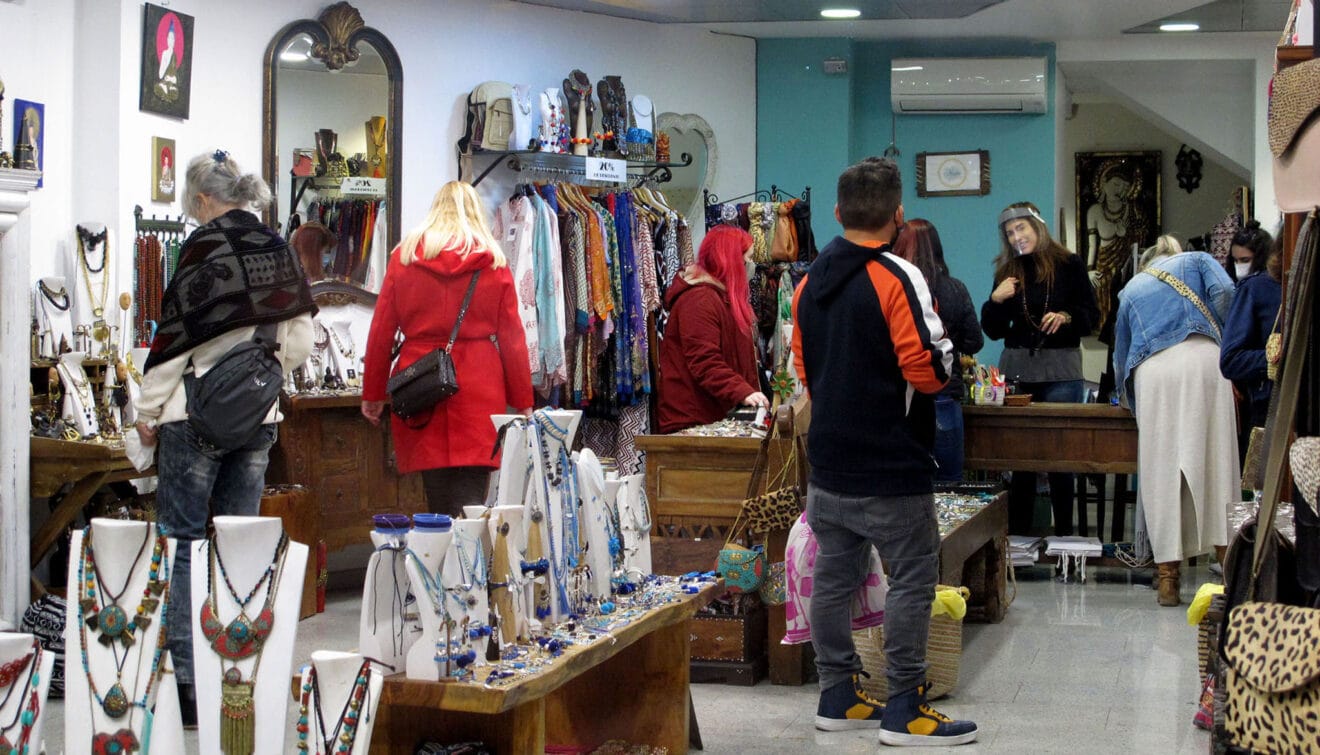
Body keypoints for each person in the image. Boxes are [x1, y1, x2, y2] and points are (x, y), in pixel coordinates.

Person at [792, 157, 975, 745]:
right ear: (898, 216)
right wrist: (945, 365)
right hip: (891, 464)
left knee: (833, 577)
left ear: (837, 212)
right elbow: (927, 369)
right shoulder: (899, 275)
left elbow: (802, 368)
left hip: (828, 466)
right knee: (913, 581)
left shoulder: (807, 283)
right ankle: (905, 707)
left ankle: (837, 694)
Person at [134, 149, 317, 723]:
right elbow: (301, 340)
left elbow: (175, 342)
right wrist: (262, 374)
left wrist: (146, 409)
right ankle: (238, 678)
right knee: (243, 546)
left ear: (203, 199)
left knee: (183, 544)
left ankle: (189, 687)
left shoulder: (203, 249)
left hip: (193, 419)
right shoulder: (275, 246)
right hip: (258, 420)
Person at [361, 181, 533, 516]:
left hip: (421, 384)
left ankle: (438, 545)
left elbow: (381, 332)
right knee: (472, 500)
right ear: (475, 213)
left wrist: (373, 393)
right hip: (478, 388)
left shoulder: (404, 259)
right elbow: (513, 339)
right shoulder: (493, 264)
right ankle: (466, 547)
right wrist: (524, 402)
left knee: (435, 497)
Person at [1112, 235, 1237, 606]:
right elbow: (1226, 293)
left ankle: (1168, 580)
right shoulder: (1196, 260)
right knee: (1217, 465)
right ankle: (1230, 570)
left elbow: (1121, 356)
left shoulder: (1131, 288)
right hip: (1204, 360)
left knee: (1161, 472)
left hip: (1153, 373)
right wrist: (1227, 336)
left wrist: (1132, 404)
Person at [981, 201, 1100, 536]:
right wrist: (995, 300)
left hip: (1060, 369)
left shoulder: (1069, 264)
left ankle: (1064, 537)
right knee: (1021, 459)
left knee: (1059, 455)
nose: (1016, 237)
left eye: (1021, 228)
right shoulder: (1007, 271)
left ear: (1037, 228)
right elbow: (993, 330)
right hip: (1018, 370)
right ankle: (1020, 539)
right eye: (1010, 232)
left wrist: (1066, 316)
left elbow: (1092, 317)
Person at [892, 218, 983, 482]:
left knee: (905, 481)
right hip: (944, 389)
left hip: (902, 394)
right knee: (949, 481)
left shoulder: (895, 288)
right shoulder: (955, 288)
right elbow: (974, 341)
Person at [656, 224, 768, 433]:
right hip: (693, 422)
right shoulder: (700, 300)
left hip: (711, 417)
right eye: (749, 258)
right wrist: (742, 391)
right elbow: (705, 360)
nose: (752, 265)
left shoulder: (718, 298)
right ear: (734, 260)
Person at [1220, 235, 1282, 462]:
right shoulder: (1255, 289)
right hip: (1268, 408)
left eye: (1245, 260)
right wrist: (1272, 359)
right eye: (1237, 260)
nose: (1240, 266)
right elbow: (1231, 359)